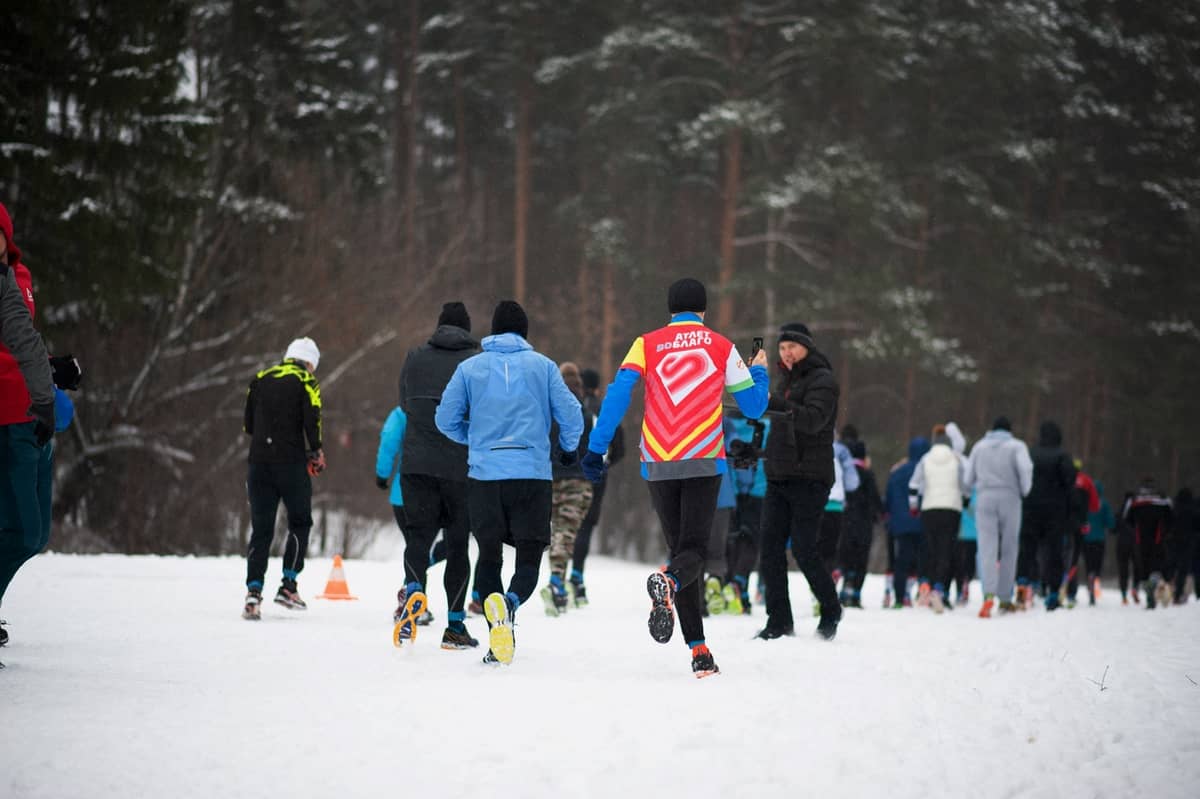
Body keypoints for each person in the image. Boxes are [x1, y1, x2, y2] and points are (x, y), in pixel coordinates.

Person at [581, 278, 769, 677]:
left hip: (659, 460)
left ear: (670, 310)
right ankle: (672, 594)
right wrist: (760, 373)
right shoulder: (721, 346)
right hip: (702, 458)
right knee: (692, 554)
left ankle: (699, 650)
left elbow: (617, 394)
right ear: (703, 310)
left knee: (682, 552)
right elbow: (753, 408)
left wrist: (596, 448)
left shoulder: (645, 343)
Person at [435, 300, 583, 665]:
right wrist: (566, 450)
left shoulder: (469, 369)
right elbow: (572, 415)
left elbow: (444, 419)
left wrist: (476, 439)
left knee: (488, 557)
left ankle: (496, 635)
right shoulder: (544, 367)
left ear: (493, 329)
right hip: (531, 476)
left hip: (485, 477)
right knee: (529, 558)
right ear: (525, 332)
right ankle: (512, 603)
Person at [394, 302, 479, 647]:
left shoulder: (414, 358)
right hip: (461, 468)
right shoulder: (474, 362)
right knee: (458, 546)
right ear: (467, 329)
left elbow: (403, 405)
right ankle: (455, 627)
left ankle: (414, 591)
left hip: (416, 465)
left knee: (417, 538)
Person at [753, 322, 842, 641]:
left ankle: (831, 608)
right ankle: (779, 620)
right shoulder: (784, 381)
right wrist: (757, 450)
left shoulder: (823, 380)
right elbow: (782, 430)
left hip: (811, 477)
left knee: (804, 548)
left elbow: (811, 421)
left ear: (807, 347)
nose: (787, 353)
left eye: (792, 346)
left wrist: (773, 403)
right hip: (779, 476)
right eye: (782, 347)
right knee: (770, 548)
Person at [0, 201, 58, 650]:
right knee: (24, 531)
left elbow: (22, 344)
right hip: (10, 422)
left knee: (33, 533)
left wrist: (55, 372)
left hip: (35, 416)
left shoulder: (19, 278)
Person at [241, 337, 324, 620]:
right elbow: (313, 419)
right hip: (290, 464)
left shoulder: (260, 378)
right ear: (310, 362)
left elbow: (249, 425)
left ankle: (253, 593)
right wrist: (316, 452)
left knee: (261, 530)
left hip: (259, 464)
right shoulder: (305, 381)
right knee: (300, 522)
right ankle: (288, 585)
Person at [963, 417, 1033, 617]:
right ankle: (1004, 597)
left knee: (986, 547)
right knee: (1010, 548)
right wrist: (1024, 490)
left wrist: (973, 489)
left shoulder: (979, 447)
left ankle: (988, 595)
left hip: (984, 498)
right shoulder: (1017, 446)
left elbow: (968, 479)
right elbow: (1026, 470)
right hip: (1010, 498)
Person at [568, 368, 625, 605]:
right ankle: (577, 577)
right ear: (598, 387)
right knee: (587, 525)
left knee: (568, 523)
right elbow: (620, 447)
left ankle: (557, 576)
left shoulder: (573, 406)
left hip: (569, 473)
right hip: (596, 475)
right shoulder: (605, 410)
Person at [540, 362, 593, 616]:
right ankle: (557, 583)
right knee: (566, 533)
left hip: (549, 478)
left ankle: (556, 581)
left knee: (555, 531)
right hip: (578, 480)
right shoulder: (583, 412)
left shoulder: (549, 411)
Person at [908, 424, 967, 613]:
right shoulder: (956, 459)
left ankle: (928, 584)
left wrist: (914, 507)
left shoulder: (925, 458)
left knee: (931, 549)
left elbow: (913, 484)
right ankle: (939, 589)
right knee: (946, 550)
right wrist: (964, 501)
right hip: (951, 509)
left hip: (930, 508)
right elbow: (964, 485)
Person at [1018, 421, 1076, 610]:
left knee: (1028, 550)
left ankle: (1023, 583)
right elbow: (1070, 484)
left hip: (1030, 509)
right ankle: (1052, 591)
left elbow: (1022, 479)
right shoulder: (1063, 456)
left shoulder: (1030, 453)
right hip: (1055, 512)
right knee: (1054, 553)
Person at [727, 414, 770, 614]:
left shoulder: (730, 426)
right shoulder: (766, 426)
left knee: (733, 539)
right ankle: (740, 584)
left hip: (733, 491)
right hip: (759, 492)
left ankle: (731, 586)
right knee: (752, 541)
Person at [885, 438, 929, 608]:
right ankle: (923, 592)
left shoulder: (897, 472)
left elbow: (888, 498)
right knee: (923, 559)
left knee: (901, 560)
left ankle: (899, 597)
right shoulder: (926, 470)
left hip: (901, 524)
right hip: (923, 521)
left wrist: (889, 517)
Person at [839, 438, 883, 608]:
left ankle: (845, 588)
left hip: (846, 522)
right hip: (864, 524)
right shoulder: (868, 474)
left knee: (846, 557)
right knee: (861, 559)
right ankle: (856, 594)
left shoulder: (846, 473)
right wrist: (880, 514)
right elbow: (875, 499)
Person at [1121, 478, 1173, 609]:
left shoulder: (1135, 501)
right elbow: (1172, 518)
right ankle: (1155, 588)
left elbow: (1127, 519)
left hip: (1141, 540)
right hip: (1158, 540)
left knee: (1144, 569)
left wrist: (1134, 529)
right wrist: (1166, 533)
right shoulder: (1163, 500)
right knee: (1156, 567)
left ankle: (1150, 592)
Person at [704, 428, 738, 615]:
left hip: (695, 492)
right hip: (722, 495)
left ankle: (696, 594)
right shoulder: (726, 426)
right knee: (718, 548)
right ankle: (715, 581)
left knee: (694, 545)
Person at [820, 438, 861, 595]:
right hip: (835, 506)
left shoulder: (806, 443)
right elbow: (853, 483)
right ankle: (828, 583)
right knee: (831, 549)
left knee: (814, 549)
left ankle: (817, 586)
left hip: (815, 505)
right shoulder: (841, 451)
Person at [1067, 479, 1114, 606]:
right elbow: (1110, 522)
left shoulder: (1084, 502)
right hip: (1099, 539)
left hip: (1085, 538)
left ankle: (1089, 577)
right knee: (1097, 563)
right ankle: (1094, 577)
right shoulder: (1104, 504)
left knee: (1087, 562)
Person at [1062, 460, 1100, 608]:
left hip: (1062, 524)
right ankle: (1071, 591)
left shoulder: (1062, 480)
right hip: (1080, 525)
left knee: (1059, 554)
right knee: (1075, 558)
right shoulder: (1086, 481)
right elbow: (1095, 506)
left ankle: (1053, 585)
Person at [952, 488, 979, 606]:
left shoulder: (962, 489)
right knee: (965, 563)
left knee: (962, 563)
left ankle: (962, 588)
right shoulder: (977, 489)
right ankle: (963, 587)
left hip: (966, 532)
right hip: (969, 532)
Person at [1170, 488, 1197, 603]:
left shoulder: (1173, 509)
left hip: (1173, 542)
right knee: (1183, 570)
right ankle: (1178, 593)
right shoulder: (1193, 510)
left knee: (1172, 567)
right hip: (1188, 543)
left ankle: (1170, 590)